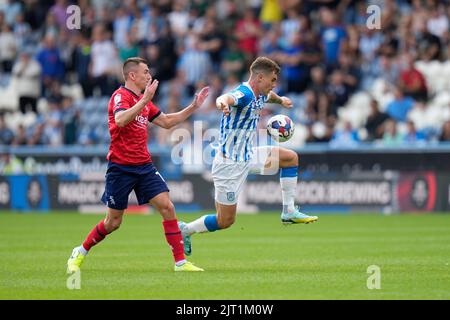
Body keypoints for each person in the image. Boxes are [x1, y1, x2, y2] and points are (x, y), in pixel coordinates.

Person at [67, 57, 209, 273]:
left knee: (167, 207)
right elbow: (121, 120)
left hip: (143, 166)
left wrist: (193, 106)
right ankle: (81, 250)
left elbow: (167, 121)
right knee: (113, 222)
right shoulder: (120, 96)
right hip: (120, 168)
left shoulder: (144, 101)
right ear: (132, 75)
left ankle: (180, 263)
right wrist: (144, 101)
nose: (148, 76)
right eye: (145, 72)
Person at [178, 57, 318, 257]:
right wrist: (222, 103)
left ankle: (288, 212)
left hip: (248, 155)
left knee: (290, 158)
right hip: (229, 165)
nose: (274, 83)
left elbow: (269, 96)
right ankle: (186, 229)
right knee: (225, 221)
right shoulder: (243, 94)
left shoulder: (260, 93)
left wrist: (281, 100)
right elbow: (227, 97)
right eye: (272, 79)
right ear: (260, 77)